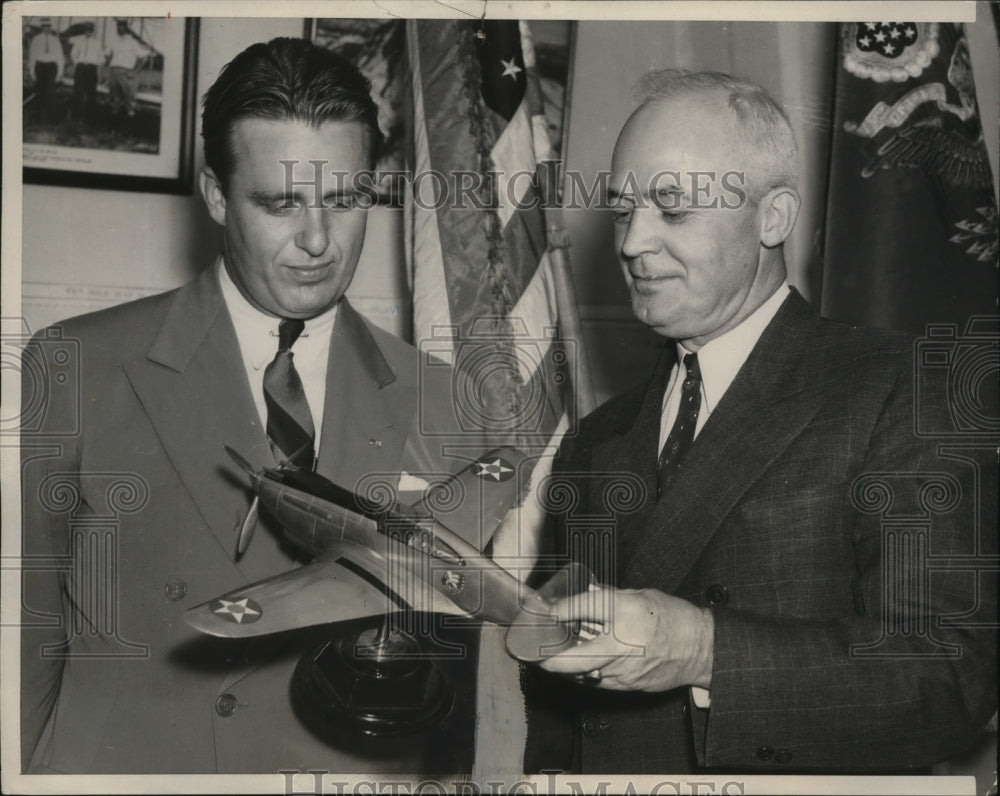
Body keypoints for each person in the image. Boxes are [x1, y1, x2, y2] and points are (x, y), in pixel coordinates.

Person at [21, 37, 481, 775]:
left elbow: (451, 665)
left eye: (344, 199)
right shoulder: (74, 365)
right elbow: (25, 629)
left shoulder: (444, 401)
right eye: (280, 203)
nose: (318, 241)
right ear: (214, 194)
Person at [522, 69, 998, 774]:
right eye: (624, 212)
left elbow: (950, 681)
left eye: (672, 210)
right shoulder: (595, 441)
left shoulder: (903, 388)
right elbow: (557, 721)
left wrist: (706, 648)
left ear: (774, 217)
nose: (630, 243)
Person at [105, 18, 151, 119]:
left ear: (126, 28)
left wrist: (135, 71)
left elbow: (144, 57)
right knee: (114, 99)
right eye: (118, 26)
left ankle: (130, 124)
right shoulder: (113, 40)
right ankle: (114, 124)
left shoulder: (132, 41)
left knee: (129, 101)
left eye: (122, 26)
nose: (120, 28)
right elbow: (107, 55)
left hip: (126, 72)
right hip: (114, 71)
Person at [26, 18, 64, 125]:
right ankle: (37, 119)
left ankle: (50, 121)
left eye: (48, 26)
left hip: (51, 68)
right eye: (44, 26)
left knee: (51, 94)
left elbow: (60, 57)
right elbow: (32, 56)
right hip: (40, 67)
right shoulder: (36, 39)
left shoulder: (55, 40)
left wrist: (59, 73)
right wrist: (32, 71)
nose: (46, 29)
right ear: (41, 27)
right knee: (39, 92)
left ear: (50, 27)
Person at [68, 22, 103, 125]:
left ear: (93, 31)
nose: (88, 32)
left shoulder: (97, 43)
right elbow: (73, 55)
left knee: (91, 93)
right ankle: (76, 116)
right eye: (86, 30)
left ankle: (90, 119)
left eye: (90, 31)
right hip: (81, 68)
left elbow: (101, 58)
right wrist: (78, 63)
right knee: (77, 92)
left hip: (91, 69)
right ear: (84, 31)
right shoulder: (79, 41)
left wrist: (96, 65)